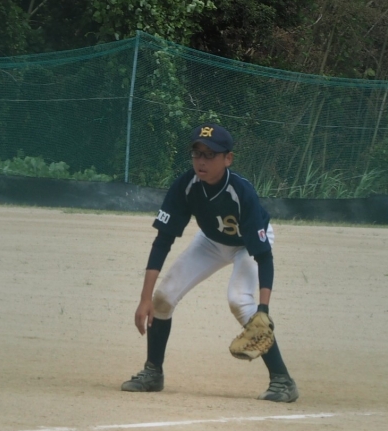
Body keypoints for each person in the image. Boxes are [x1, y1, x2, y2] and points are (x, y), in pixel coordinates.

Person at [121, 123, 298, 403]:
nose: (201, 161)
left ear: (228, 159)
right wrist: (145, 298)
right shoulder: (186, 185)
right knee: (163, 297)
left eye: (210, 154)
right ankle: (153, 373)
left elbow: (264, 256)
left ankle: (283, 381)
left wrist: (264, 308)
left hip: (246, 246)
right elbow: (163, 240)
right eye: (197, 153)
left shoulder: (241, 192)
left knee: (239, 301)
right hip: (210, 241)